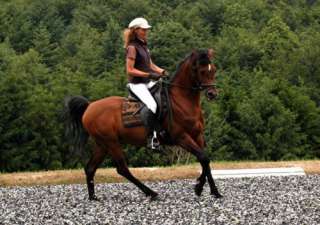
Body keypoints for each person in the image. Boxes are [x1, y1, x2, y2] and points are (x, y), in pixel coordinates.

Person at [123, 17, 167, 150]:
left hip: (147, 82)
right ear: (136, 31)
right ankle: (151, 138)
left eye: (146, 30)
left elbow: (150, 65)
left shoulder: (143, 45)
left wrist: (163, 71)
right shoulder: (132, 48)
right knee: (152, 105)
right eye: (144, 30)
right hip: (137, 85)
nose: (146, 32)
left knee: (164, 97)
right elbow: (130, 70)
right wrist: (149, 74)